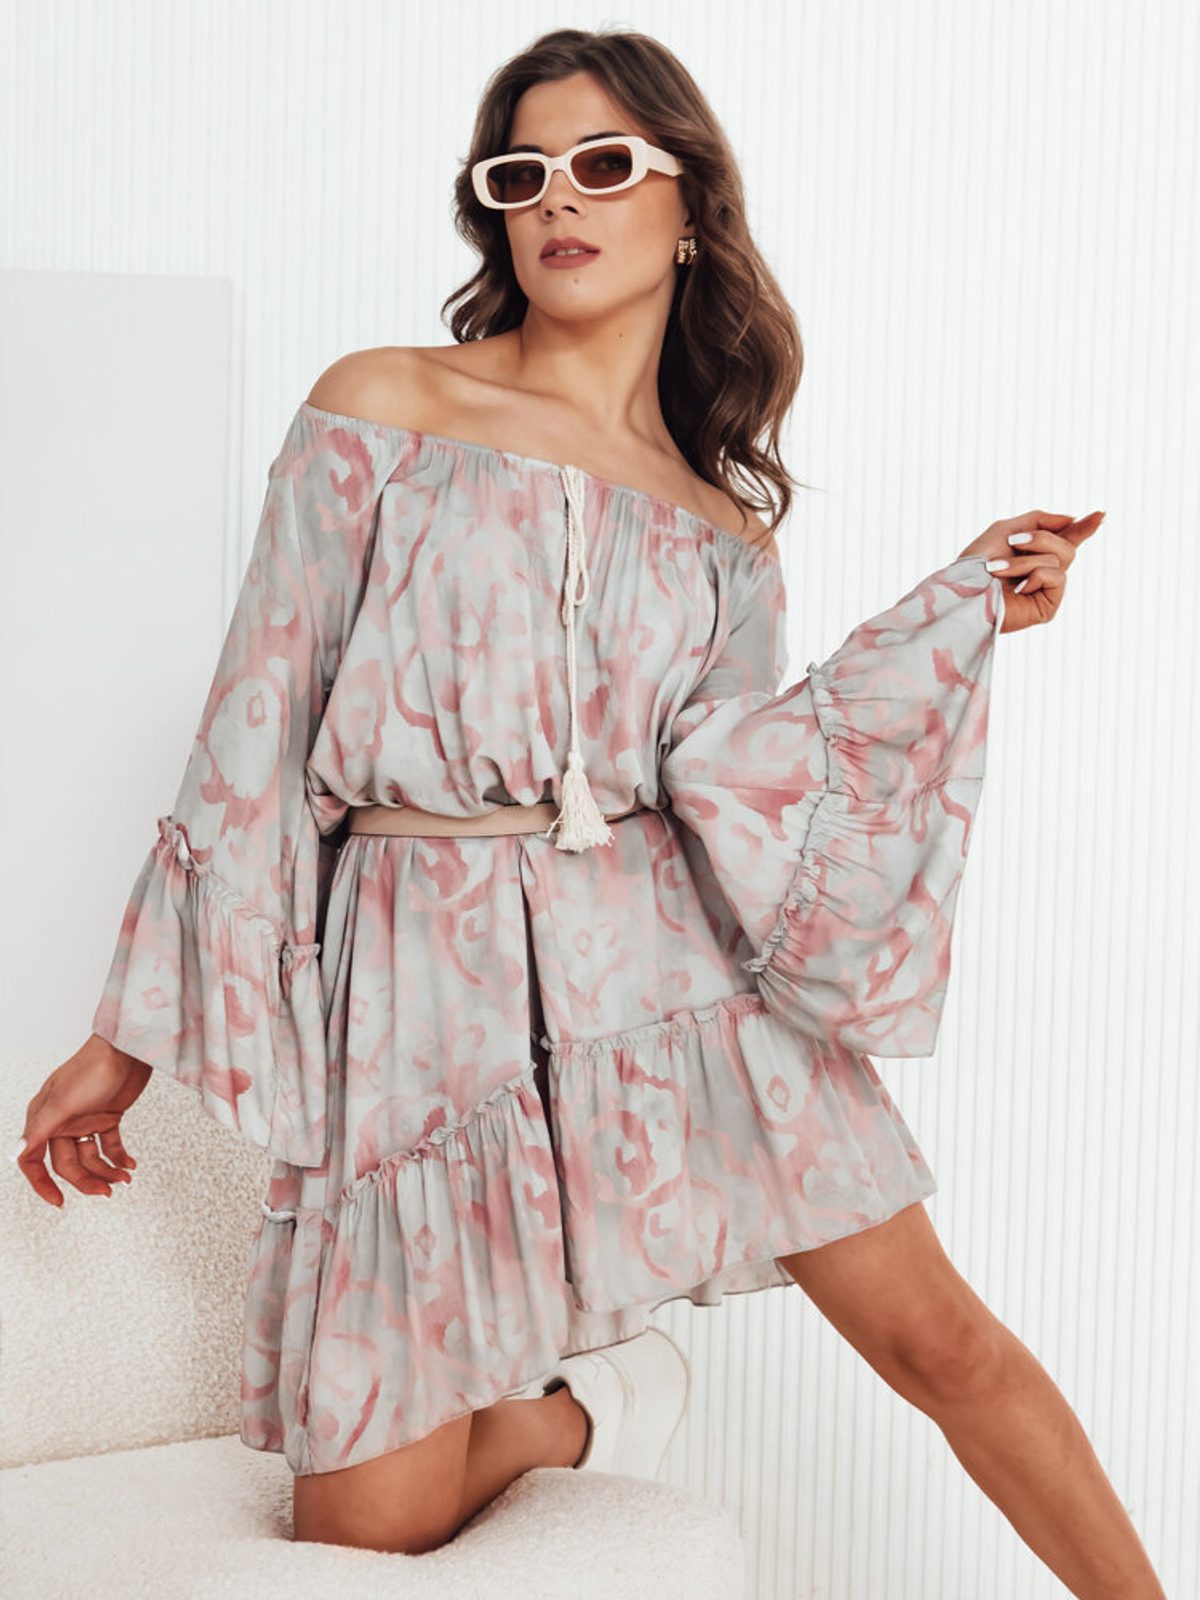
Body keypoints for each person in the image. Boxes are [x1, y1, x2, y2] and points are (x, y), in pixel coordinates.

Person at [12, 26, 1161, 1593]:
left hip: (666, 972)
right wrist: (124, 1038)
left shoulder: (723, 528)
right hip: (419, 992)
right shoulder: (381, 405)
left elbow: (741, 778)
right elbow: (253, 729)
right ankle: (586, 1414)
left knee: (936, 1340)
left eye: (606, 164)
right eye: (522, 174)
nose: (559, 198)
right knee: (364, 1527)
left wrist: (958, 613)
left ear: (690, 208)